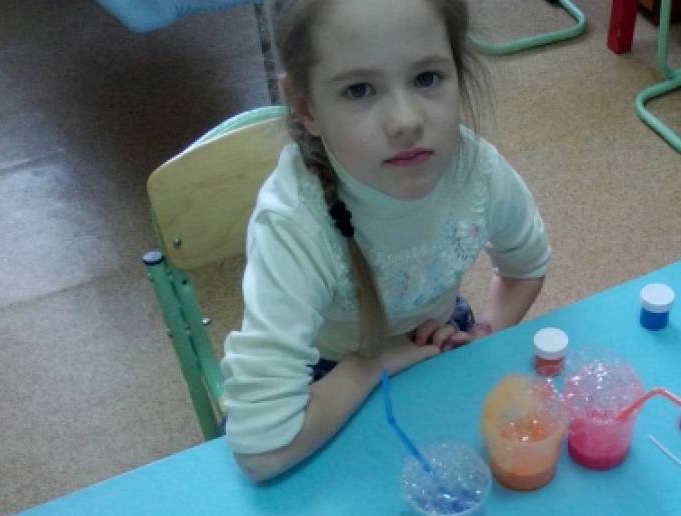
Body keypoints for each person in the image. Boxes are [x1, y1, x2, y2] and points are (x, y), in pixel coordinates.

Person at [221, 0, 550, 482]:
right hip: (324, 387)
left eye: (427, 78)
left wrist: (484, 335)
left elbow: (526, 266)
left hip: (434, 349)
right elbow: (262, 450)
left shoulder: (476, 172)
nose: (405, 121)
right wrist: (369, 364)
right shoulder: (294, 225)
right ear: (306, 106)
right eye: (359, 90)